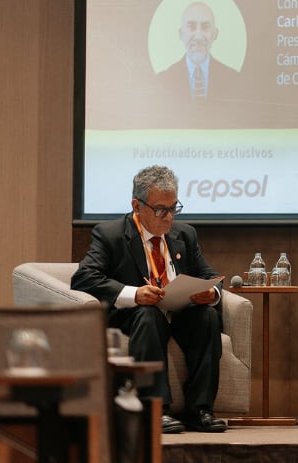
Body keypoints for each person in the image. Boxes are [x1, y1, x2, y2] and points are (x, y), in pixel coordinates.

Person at [71, 165, 227, 434]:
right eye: (160, 210)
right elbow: (84, 277)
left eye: (173, 208)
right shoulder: (110, 235)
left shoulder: (185, 234)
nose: (168, 218)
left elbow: (209, 274)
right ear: (137, 205)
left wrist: (211, 293)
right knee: (148, 314)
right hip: (136, 315)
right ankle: (155, 409)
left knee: (207, 316)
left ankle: (199, 410)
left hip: (176, 311)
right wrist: (133, 294)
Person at [158, 1, 240, 102]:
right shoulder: (162, 80)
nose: (198, 36)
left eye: (205, 27)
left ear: (215, 34)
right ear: (180, 34)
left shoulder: (234, 80)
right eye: (191, 27)